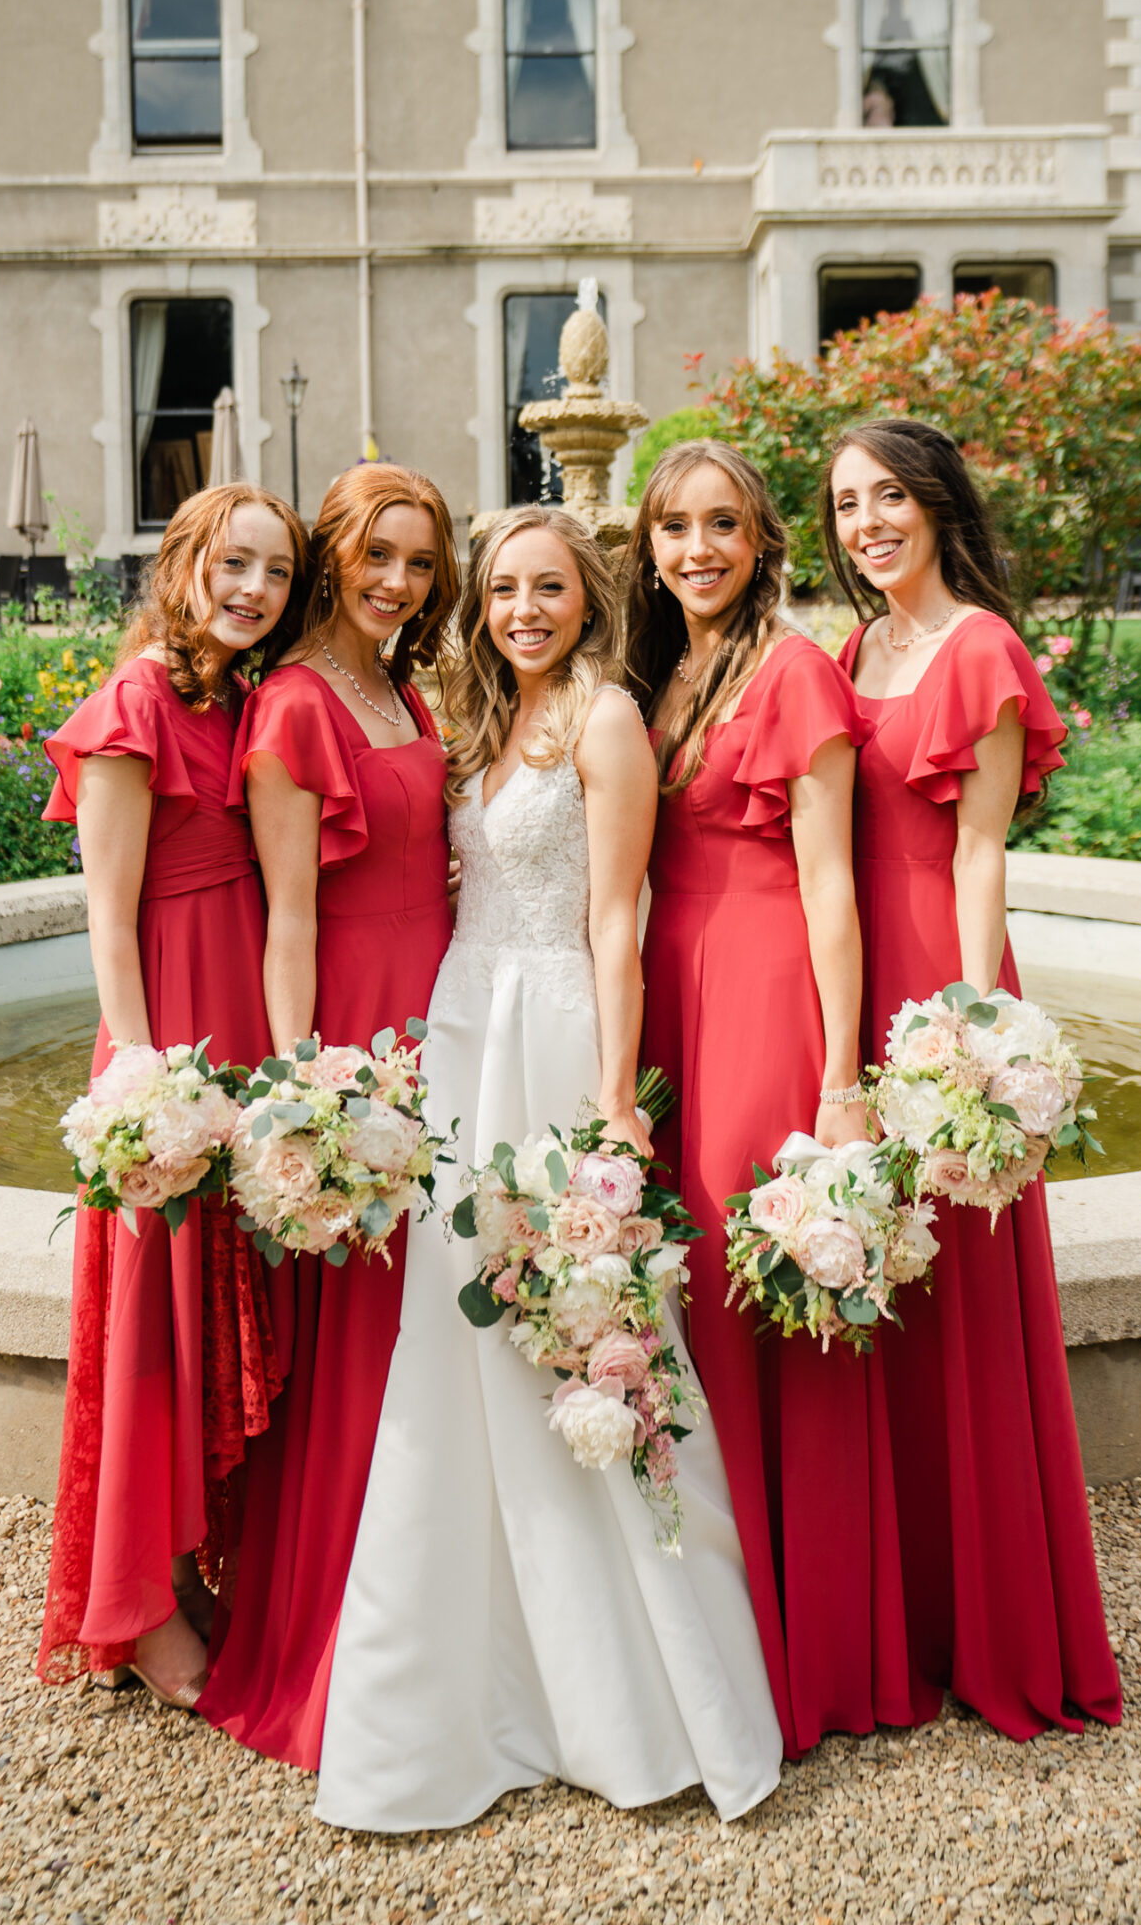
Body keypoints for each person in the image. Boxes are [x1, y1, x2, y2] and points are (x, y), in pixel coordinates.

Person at [312, 505, 783, 1830]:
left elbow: (615, 914)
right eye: (505, 587)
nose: (524, 607)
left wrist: (610, 1107)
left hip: (558, 1027)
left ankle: (640, 1684)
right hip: (463, 1028)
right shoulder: (465, 714)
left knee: (580, 1331)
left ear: (588, 600)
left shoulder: (604, 720)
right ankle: (471, 1672)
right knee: (458, 1339)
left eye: (549, 588)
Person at [624, 440, 932, 1760]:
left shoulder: (795, 671)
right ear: (645, 546)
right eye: (673, 529)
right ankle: (696, 1618)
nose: (696, 550)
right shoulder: (654, 673)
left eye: (722, 528)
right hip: (662, 989)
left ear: (760, 544)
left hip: (757, 997)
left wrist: (839, 1075)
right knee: (678, 1289)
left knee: (755, 1294)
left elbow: (828, 889)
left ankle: (802, 1644)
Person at [826, 416, 1122, 1738]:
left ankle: (990, 1618)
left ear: (938, 503)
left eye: (887, 495)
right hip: (848, 976)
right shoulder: (853, 647)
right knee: (879, 1274)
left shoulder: (977, 650)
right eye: (843, 504)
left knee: (960, 1286)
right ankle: (900, 1606)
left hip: (941, 983)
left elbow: (973, 853)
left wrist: (963, 1036)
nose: (865, 523)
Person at [198, 463, 460, 1767]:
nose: (397, 582)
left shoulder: (401, 684)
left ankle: (437, 1599)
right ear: (332, 556)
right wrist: (308, 1089)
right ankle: (345, 1624)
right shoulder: (297, 706)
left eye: (418, 562)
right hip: (358, 1027)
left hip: (444, 1015)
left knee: (435, 1316)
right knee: (369, 1324)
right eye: (377, 557)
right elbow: (287, 914)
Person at [35, 482, 310, 1707]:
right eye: (235, 564)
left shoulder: (240, 696)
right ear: (186, 560)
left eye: (276, 574)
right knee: (155, 1311)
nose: (254, 590)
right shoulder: (137, 702)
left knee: (225, 1294)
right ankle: (137, 1606)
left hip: (240, 1027)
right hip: (166, 1033)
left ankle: (200, 1559)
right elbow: (105, 917)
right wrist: (142, 1078)